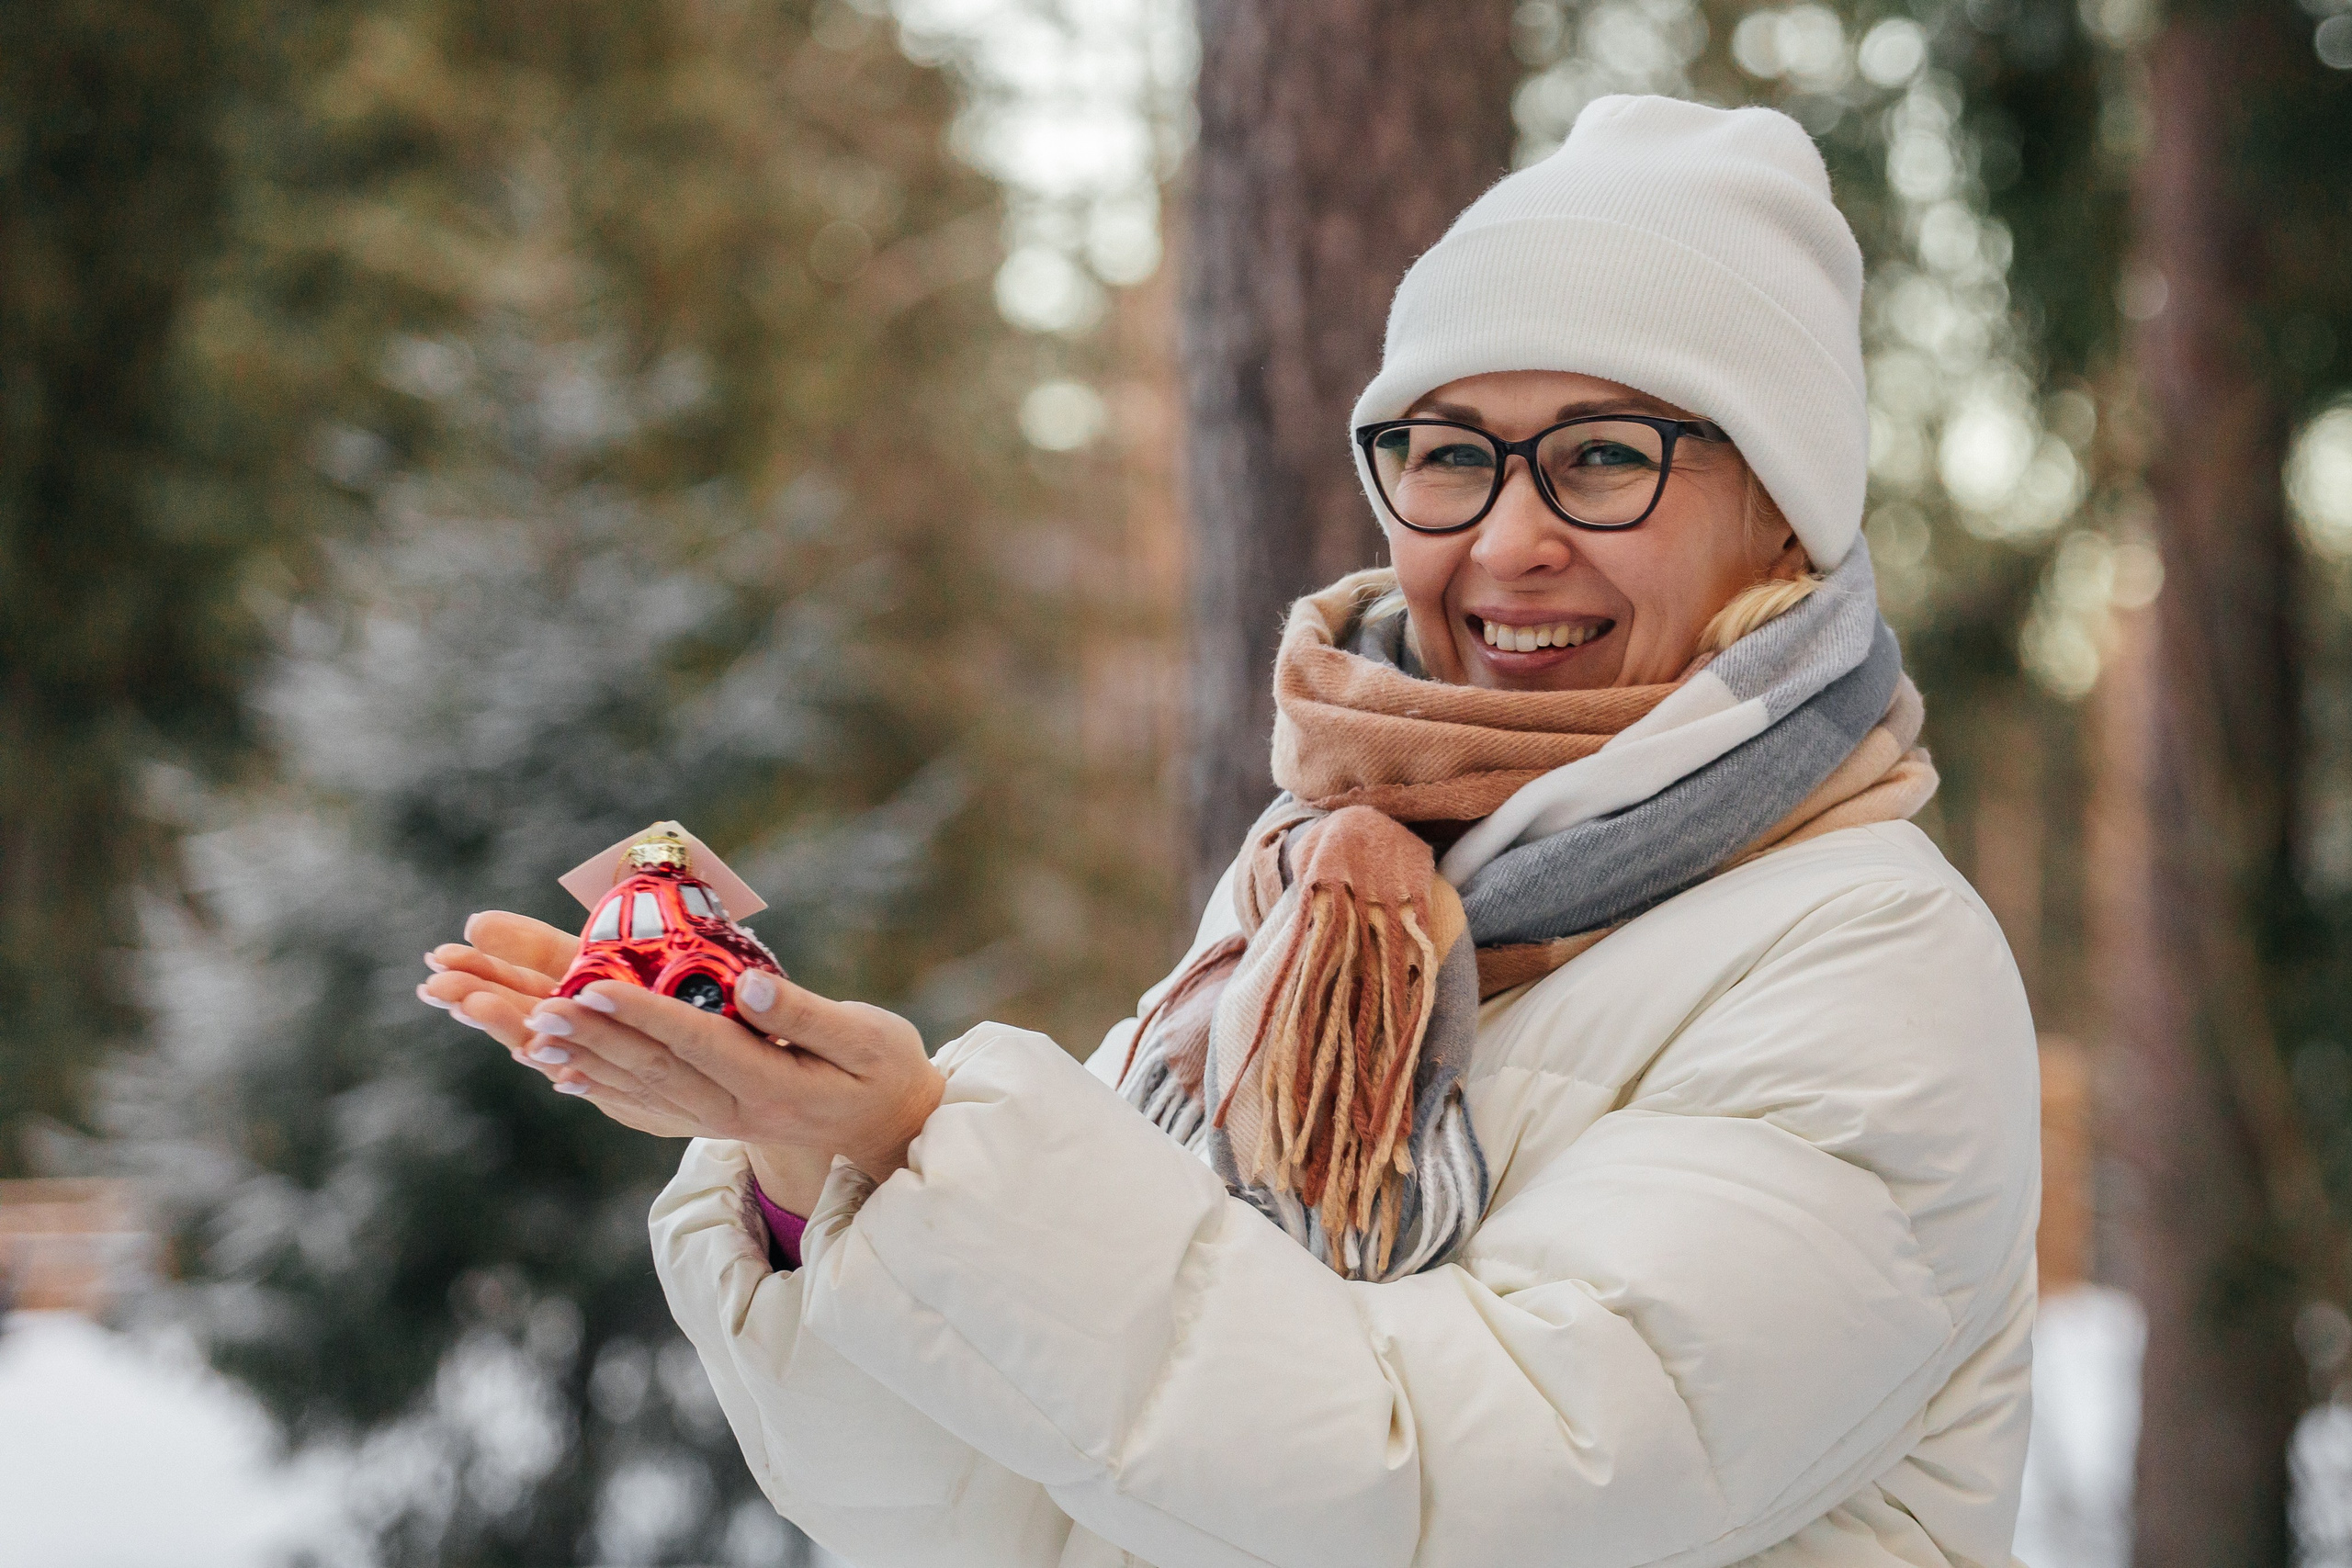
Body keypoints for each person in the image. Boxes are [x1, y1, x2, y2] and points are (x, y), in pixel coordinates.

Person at [422, 95, 2040, 1568]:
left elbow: (1470, 1496)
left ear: (1783, 512)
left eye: (1605, 457)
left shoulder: (1868, 963)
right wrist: (814, 1167)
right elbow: (1008, 1518)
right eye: (1450, 457)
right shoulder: (1318, 886)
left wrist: (933, 1150)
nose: (1508, 540)